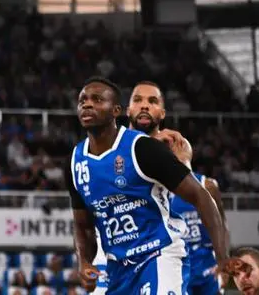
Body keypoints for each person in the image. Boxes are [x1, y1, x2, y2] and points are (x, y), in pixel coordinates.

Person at [68, 77, 228, 295]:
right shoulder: (75, 161)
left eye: (96, 99)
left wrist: (222, 258)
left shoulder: (144, 148)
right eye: (82, 100)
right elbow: (82, 224)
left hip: (157, 254)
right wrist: (84, 262)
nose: (87, 104)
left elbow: (201, 196)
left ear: (116, 111)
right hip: (116, 264)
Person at [127, 81, 229, 295]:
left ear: (162, 113)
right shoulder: (115, 154)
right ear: (127, 109)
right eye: (138, 100)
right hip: (121, 261)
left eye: (152, 101)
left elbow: (220, 220)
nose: (144, 105)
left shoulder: (202, 184)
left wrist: (223, 259)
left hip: (177, 262)